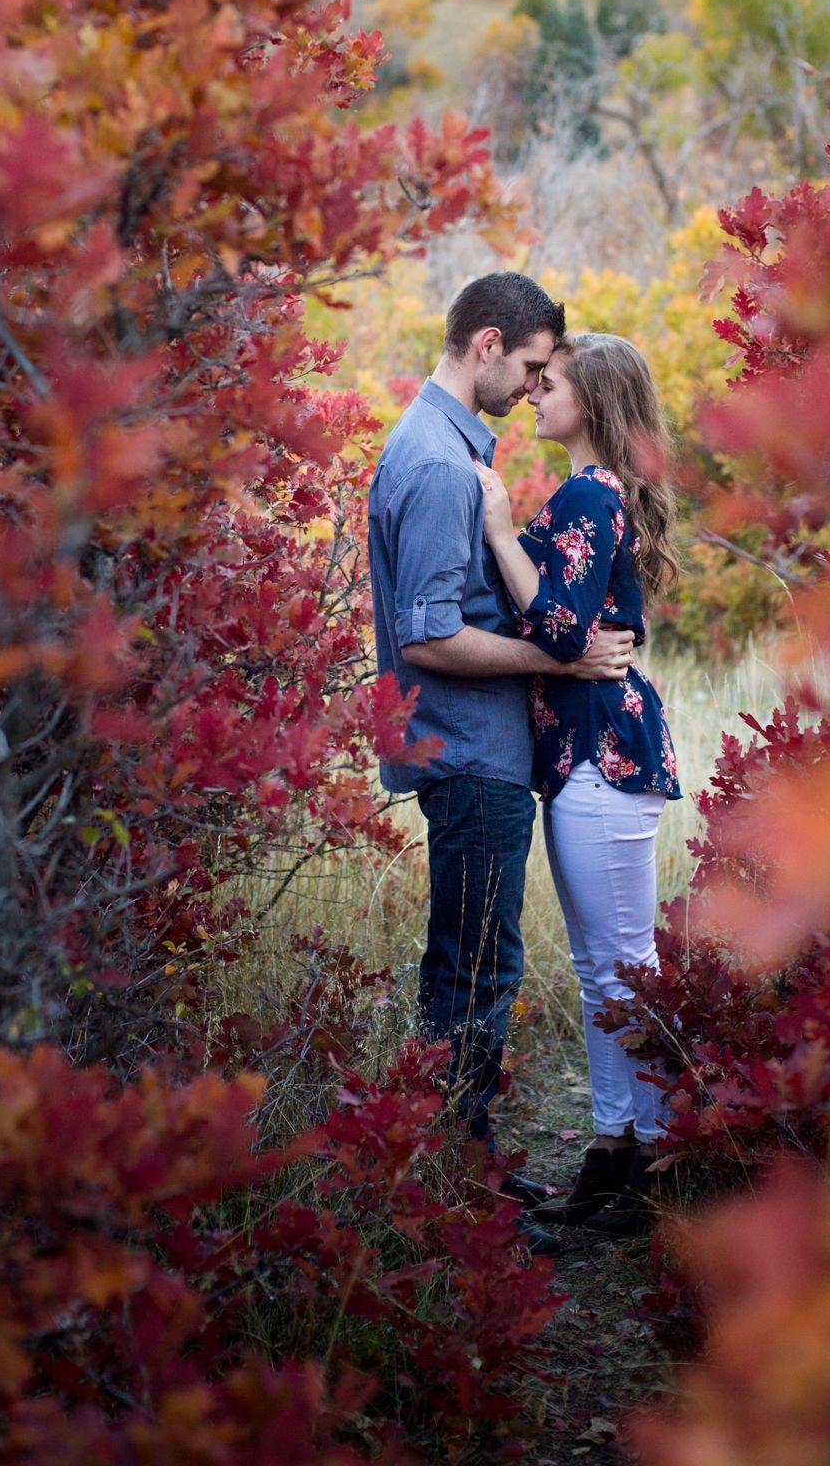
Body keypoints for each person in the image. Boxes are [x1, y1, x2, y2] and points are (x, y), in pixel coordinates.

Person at [367, 274, 635, 1225]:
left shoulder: (444, 447)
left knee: (471, 964)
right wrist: (559, 665)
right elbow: (430, 635)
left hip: (476, 753)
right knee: (479, 971)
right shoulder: (440, 464)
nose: (531, 386)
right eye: (527, 365)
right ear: (486, 344)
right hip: (469, 757)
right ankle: (458, 1194)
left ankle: (464, 1169)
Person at [474, 332, 681, 1237]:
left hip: (604, 752)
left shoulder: (588, 495)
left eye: (547, 384)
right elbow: (554, 611)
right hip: (591, 753)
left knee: (622, 971)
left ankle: (662, 1163)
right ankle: (616, 1152)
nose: (531, 394)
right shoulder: (587, 496)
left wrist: (491, 527)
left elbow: (558, 628)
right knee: (609, 971)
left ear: (590, 402)